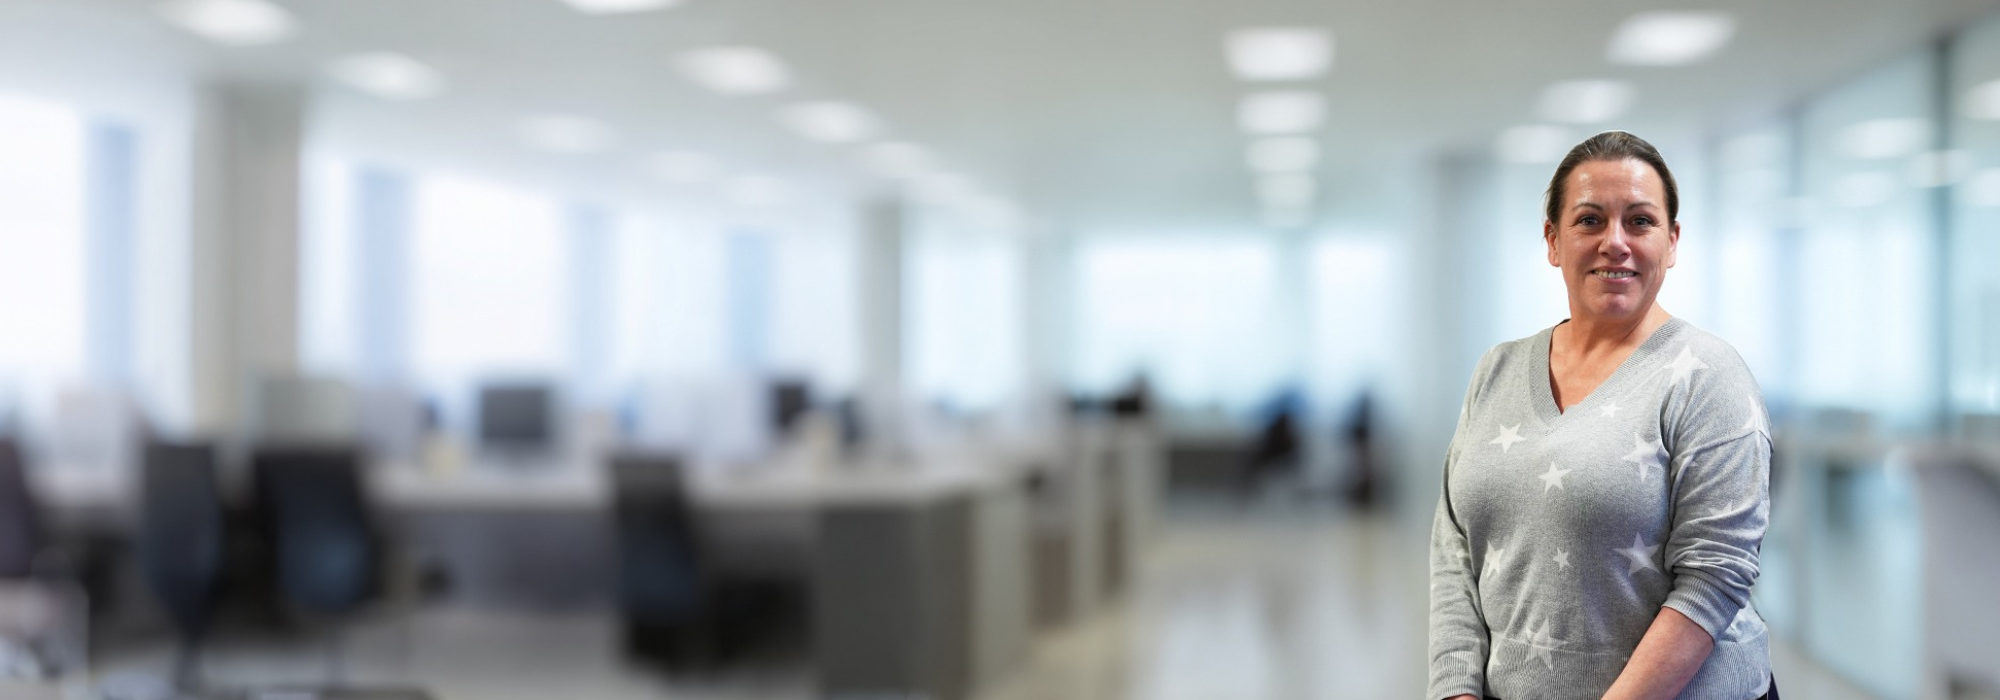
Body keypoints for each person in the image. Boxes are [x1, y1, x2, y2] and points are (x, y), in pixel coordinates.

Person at [1427, 131, 1774, 700]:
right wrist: (1455, 690)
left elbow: (1714, 577)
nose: (1616, 242)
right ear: (1553, 241)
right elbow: (1454, 547)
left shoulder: (1709, 376)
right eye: (1590, 220)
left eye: (1639, 221)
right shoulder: (1497, 369)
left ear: (1672, 241)